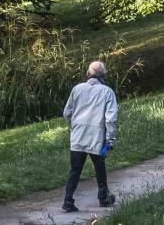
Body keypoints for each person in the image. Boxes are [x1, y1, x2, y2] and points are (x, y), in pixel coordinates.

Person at [61, 60, 118, 213]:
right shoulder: (107, 92)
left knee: (75, 170)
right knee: (100, 168)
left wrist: (74, 127)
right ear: (104, 75)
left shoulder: (77, 89)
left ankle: (68, 200)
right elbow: (111, 119)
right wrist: (110, 140)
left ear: (87, 73)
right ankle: (103, 197)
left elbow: (67, 113)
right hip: (96, 138)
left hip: (78, 136)